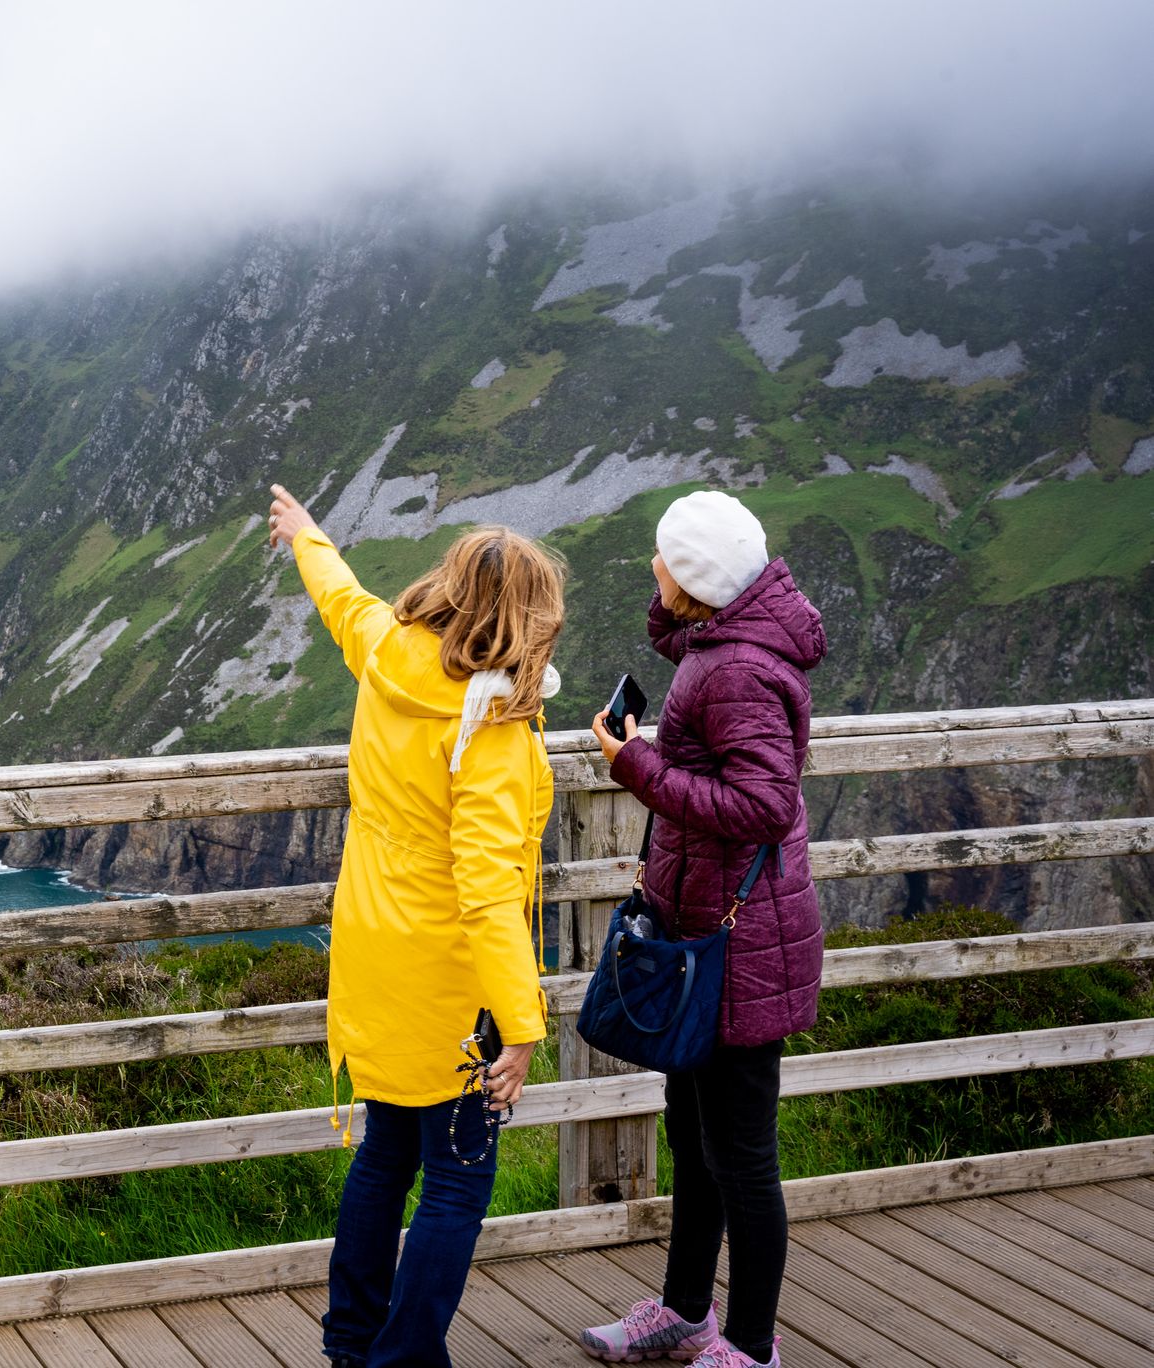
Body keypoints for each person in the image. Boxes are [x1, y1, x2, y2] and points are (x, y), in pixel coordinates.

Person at [266, 483, 566, 1368]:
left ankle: (353, 1341)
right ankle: (400, 1362)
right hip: (451, 981)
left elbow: (345, 603)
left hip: (372, 949)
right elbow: (484, 888)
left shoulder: (390, 653)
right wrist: (520, 1023)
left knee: (387, 1150)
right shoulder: (493, 733)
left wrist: (309, 537)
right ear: (526, 618)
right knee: (458, 1181)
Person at [580, 490, 827, 1368]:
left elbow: (762, 805)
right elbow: (684, 649)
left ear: (696, 579)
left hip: (738, 945)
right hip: (710, 935)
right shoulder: (727, 646)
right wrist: (653, 745)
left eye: (666, 560)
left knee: (743, 1159)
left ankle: (751, 1348)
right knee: (695, 1136)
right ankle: (688, 1312)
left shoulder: (735, 670)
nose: (653, 565)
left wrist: (634, 764)